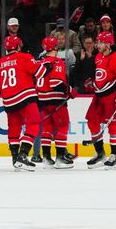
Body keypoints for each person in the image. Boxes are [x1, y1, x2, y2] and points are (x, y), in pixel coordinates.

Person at [0, 35, 41, 171]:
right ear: (19, 46)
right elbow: (39, 72)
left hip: (8, 101)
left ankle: (15, 158)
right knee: (34, 123)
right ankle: (23, 155)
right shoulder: (25, 57)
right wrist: (47, 65)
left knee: (14, 128)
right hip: (25, 96)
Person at [86, 31, 116, 169]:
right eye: (97, 42)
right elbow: (101, 77)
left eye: (100, 42)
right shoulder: (98, 57)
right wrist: (93, 84)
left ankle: (115, 155)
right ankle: (100, 153)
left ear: (109, 44)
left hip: (111, 96)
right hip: (99, 97)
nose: (98, 45)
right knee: (92, 122)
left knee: (113, 125)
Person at [36, 37, 73, 168]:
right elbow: (56, 83)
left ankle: (46, 157)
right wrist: (69, 90)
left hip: (42, 100)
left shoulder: (40, 62)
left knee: (47, 129)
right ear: (55, 48)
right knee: (62, 126)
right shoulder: (57, 61)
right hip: (55, 100)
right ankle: (60, 157)